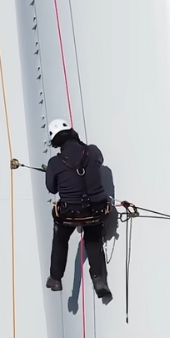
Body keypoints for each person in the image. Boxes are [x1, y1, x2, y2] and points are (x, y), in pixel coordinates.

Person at [43, 118, 112, 301]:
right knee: (93, 241)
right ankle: (99, 281)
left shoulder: (55, 162)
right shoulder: (93, 151)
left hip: (69, 214)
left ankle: (56, 278)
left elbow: (52, 188)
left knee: (61, 240)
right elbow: (98, 161)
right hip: (96, 211)